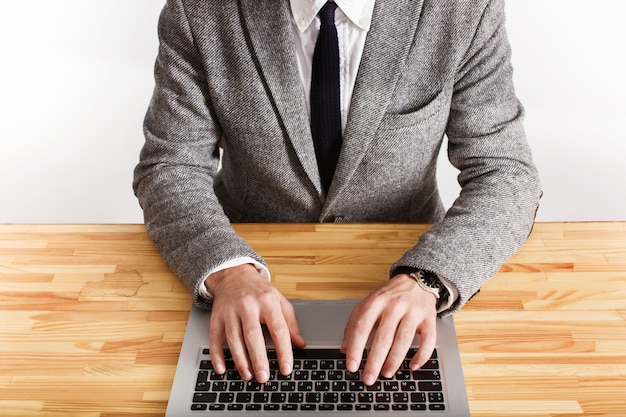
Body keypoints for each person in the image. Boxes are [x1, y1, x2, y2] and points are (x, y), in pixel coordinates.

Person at [133, 0, 541, 387]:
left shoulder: (462, 9)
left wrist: (428, 280)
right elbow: (170, 166)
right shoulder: (198, 10)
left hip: (405, 270)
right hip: (241, 274)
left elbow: (505, 173)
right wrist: (227, 270)